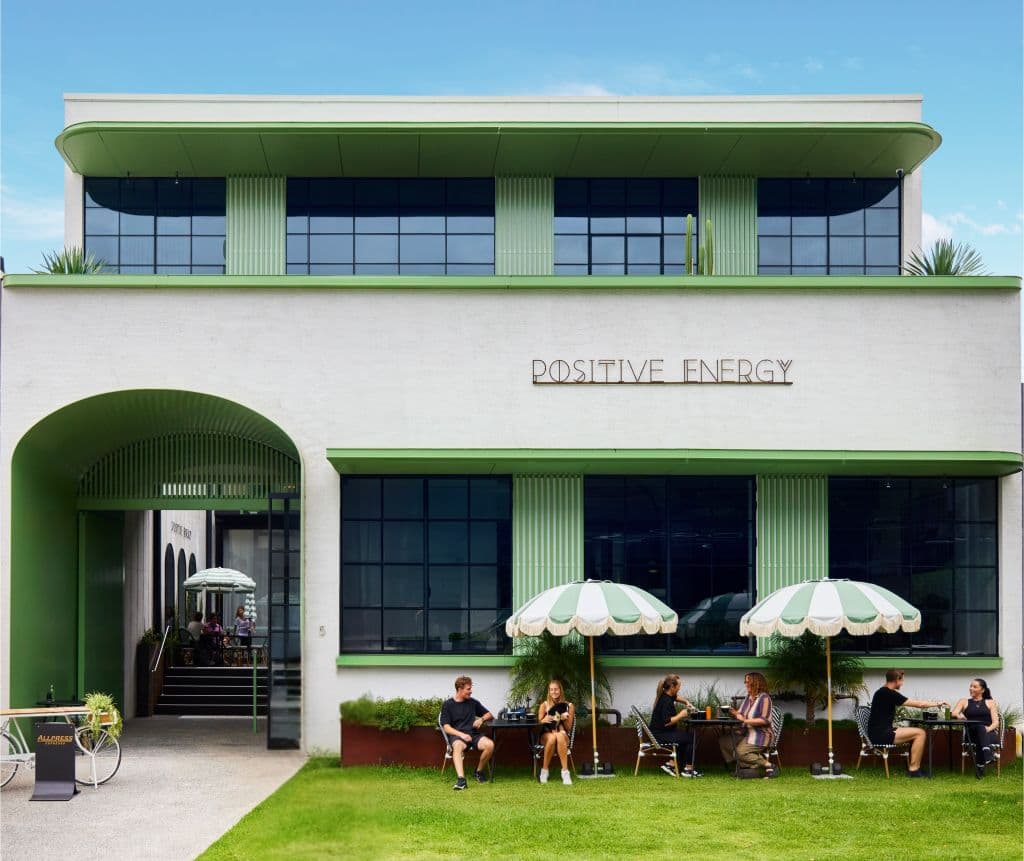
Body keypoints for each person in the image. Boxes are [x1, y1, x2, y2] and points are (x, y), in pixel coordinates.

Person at [868, 669, 947, 778]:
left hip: (879, 732)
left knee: (917, 732)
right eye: (902, 680)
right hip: (881, 735)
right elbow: (919, 704)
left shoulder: (882, 692)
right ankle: (914, 770)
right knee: (920, 733)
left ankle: (915, 767)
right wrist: (937, 703)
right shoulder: (889, 693)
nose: (903, 683)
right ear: (897, 680)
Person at [440, 675, 495, 791]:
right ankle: (461, 780)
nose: (471, 691)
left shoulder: (473, 703)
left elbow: (489, 714)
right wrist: (461, 735)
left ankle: (478, 772)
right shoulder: (448, 705)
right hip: (458, 737)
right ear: (460, 689)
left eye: (470, 689)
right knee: (458, 746)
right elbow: (446, 727)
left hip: (473, 735)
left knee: (490, 745)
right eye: (468, 689)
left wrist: (481, 719)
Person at [720, 672, 776, 778]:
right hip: (746, 733)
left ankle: (770, 765)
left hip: (761, 735)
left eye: (747, 682)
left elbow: (765, 720)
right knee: (724, 741)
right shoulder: (748, 697)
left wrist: (745, 721)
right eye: (745, 682)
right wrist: (733, 712)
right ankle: (747, 768)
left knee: (740, 752)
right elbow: (741, 714)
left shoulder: (764, 698)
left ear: (756, 683)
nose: (745, 684)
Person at [650, 674, 701, 777]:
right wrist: (681, 715)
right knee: (692, 738)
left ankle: (672, 764)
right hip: (660, 735)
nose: (680, 688)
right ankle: (688, 769)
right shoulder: (666, 702)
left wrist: (686, 702)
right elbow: (667, 722)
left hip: (661, 732)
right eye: (679, 686)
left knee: (685, 738)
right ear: (672, 687)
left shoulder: (666, 695)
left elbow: (676, 697)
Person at [951, 678, 1001, 778]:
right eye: (970, 686)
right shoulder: (964, 701)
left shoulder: (990, 702)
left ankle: (980, 767)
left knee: (981, 732)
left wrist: (987, 729)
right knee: (980, 729)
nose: (971, 689)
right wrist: (958, 715)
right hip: (971, 733)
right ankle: (986, 755)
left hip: (989, 732)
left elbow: (996, 722)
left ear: (982, 690)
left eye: (974, 687)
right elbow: (954, 712)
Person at [536, 679, 575, 785]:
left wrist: (562, 719)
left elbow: (568, 727)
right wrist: (543, 720)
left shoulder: (569, 706)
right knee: (553, 737)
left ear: (560, 690)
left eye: (556, 689)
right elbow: (538, 724)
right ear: (549, 691)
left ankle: (565, 773)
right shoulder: (544, 705)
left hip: (562, 734)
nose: (554, 692)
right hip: (546, 733)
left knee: (559, 736)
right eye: (551, 690)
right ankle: (544, 771)